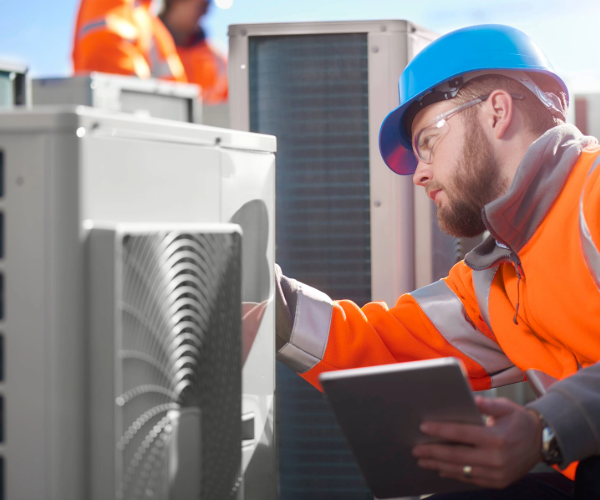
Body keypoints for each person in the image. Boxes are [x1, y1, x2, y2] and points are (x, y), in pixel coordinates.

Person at [275, 25, 600, 499]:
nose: (419, 172)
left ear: (497, 111)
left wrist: (546, 427)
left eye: (427, 141)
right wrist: (261, 300)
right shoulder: (492, 278)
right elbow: (378, 346)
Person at [72, 0, 187, 82]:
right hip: (117, 111)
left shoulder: (146, 17)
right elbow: (103, 51)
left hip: (147, 111)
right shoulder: (115, 5)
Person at [159, 0, 228, 104]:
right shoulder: (141, 42)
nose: (205, 12)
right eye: (202, 5)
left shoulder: (218, 58)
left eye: (208, 6)